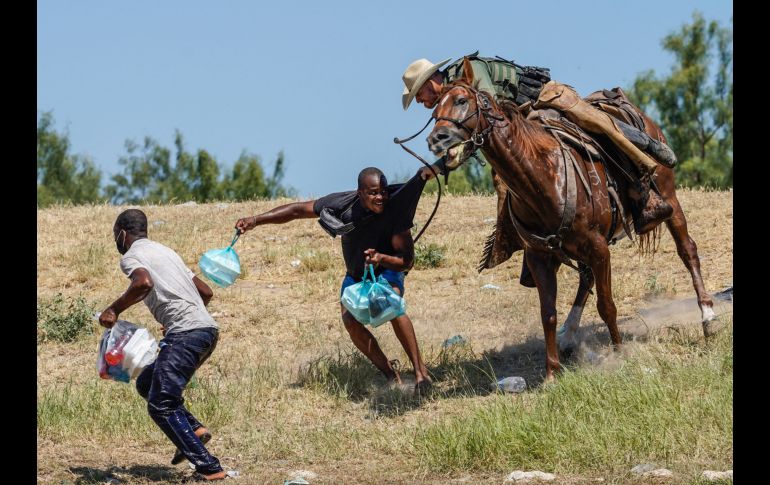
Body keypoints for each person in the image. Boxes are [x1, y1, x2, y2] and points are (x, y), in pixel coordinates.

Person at [402, 53, 678, 283]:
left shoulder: (469, 73)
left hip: (542, 102)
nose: (419, 101)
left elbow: (488, 115)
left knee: (595, 127)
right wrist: (440, 164)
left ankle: (643, 184)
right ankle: (532, 242)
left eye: (419, 93)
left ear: (432, 81)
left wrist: (443, 164)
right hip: (519, 125)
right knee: (509, 180)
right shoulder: (451, 101)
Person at [235, 167, 433, 394]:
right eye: (373, 193)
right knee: (350, 321)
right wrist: (256, 220)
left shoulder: (394, 212)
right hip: (356, 275)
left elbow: (406, 261)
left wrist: (381, 258)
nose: (380, 198)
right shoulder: (342, 205)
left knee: (391, 304)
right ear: (360, 193)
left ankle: (421, 374)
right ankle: (390, 375)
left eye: (384, 192)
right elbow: (297, 211)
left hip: (387, 269)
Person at [99, 209, 227, 482]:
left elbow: (143, 283)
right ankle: (193, 430)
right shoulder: (167, 252)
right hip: (206, 331)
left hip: (187, 334)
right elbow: (205, 291)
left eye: (115, 235)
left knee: (161, 404)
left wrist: (114, 309)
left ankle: (209, 468)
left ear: (122, 233)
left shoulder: (132, 256)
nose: (116, 241)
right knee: (147, 383)